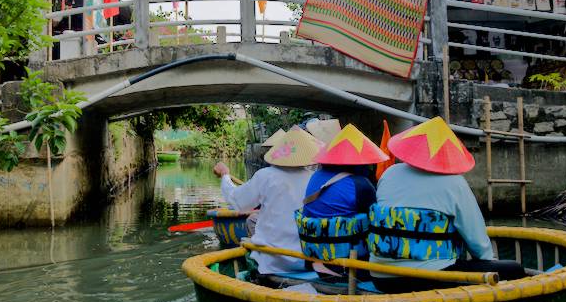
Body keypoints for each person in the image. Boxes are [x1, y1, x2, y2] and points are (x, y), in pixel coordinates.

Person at [369, 117, 524, 292]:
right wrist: (488, 262)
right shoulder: (454, 183)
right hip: (430, 278)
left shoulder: (389, 174)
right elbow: (478, 243)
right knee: (514, 269)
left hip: (380, 277)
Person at [213, 126, 321, 277]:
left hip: (272, 260)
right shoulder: (315, 178)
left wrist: (225, 175)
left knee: (252, 225)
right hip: (307, 259)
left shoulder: (265, 176)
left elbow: (236, 201)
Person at [296, 124, 387, 277]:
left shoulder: (315, 177)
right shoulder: (360, 184)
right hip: (350, 266)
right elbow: (376, 221)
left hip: (315, 258)